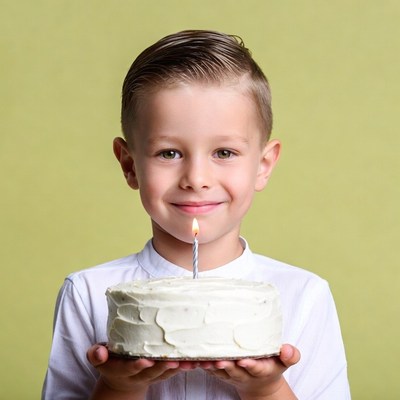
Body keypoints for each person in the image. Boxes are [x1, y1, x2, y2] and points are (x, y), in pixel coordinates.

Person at [42, 30, 350, 400]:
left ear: (263, 165)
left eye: (224, 153)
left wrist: (267, 389)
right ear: (129, 165)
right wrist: (117, 386)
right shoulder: (88, 293)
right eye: (169, 153)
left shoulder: (303, 296)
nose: (197, 180)